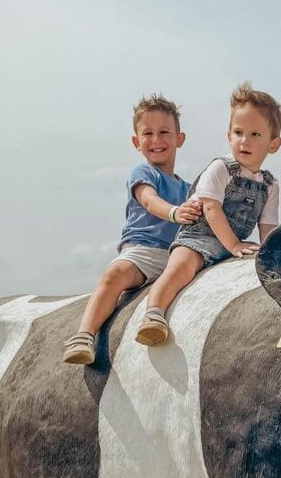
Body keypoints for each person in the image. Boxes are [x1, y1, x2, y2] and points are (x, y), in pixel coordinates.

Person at [135, 82, 281, 347]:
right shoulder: (221, 168)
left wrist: (270, 249)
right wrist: (235, 244)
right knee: (181, 267)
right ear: (229, 137)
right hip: (199, 236)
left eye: (255, 134)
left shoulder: (270, 184)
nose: (244, 141)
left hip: (229, 246)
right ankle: (153, 313)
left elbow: (268, 224)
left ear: (274, 144)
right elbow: (212, 209)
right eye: (238, 132)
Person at [62, 95, 202, 365]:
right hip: (143, 252)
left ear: (179, 139)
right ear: (136, 142)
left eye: (164, 132)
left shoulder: (188, 188)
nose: (156, 140)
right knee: (115, 274)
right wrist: (175, 212)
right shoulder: (144, 173)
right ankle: (85, 334)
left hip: (178, 256)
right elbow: (149, 200)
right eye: (147, 133)